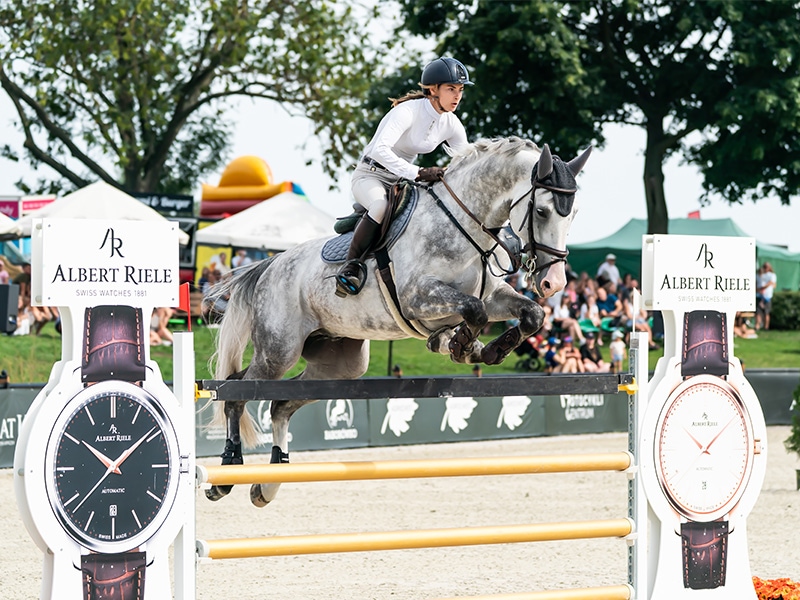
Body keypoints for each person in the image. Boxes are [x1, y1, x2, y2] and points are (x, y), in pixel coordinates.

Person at [334, 57, 473, 297]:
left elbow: (466, 162)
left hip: (401, 182)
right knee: (380, 207)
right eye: (451, 89)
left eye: (460, 90)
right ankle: (350, 267)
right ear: (433, 89)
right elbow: (380, 150)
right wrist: (418, 172)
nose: (457, 96)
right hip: (371, 175)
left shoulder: (451, 123)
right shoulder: (407, 111)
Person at [755, 262, 776, 330]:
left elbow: (772, 283)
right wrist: (758, 290)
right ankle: (757, 326)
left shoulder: (772, 275)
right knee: (758, 312)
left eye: (766, 267)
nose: (765, 268)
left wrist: (763, 288)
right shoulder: (759, 275)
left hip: (767, 297)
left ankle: (766, 327)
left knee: (766, 312)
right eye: (764, 266)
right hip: (759, 296)